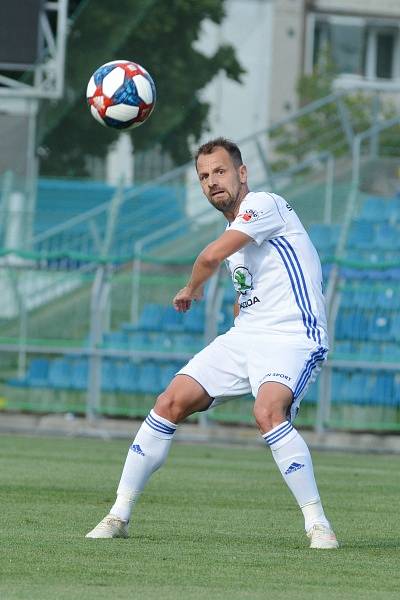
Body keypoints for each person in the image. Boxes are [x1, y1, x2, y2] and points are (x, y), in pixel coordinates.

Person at [86, 137, 338, 549]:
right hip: (246, 338)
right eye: (204, 176)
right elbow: (250, 292)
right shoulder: (236, 231)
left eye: (220, 171)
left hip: (293, 336)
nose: (212, 182)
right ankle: (117, 515)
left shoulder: (265, 204)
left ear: (242, 174)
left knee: (267, 412)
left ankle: (318, 525)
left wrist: (191, 289)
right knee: (169, 402)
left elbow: (207, 258)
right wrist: (243, 306)